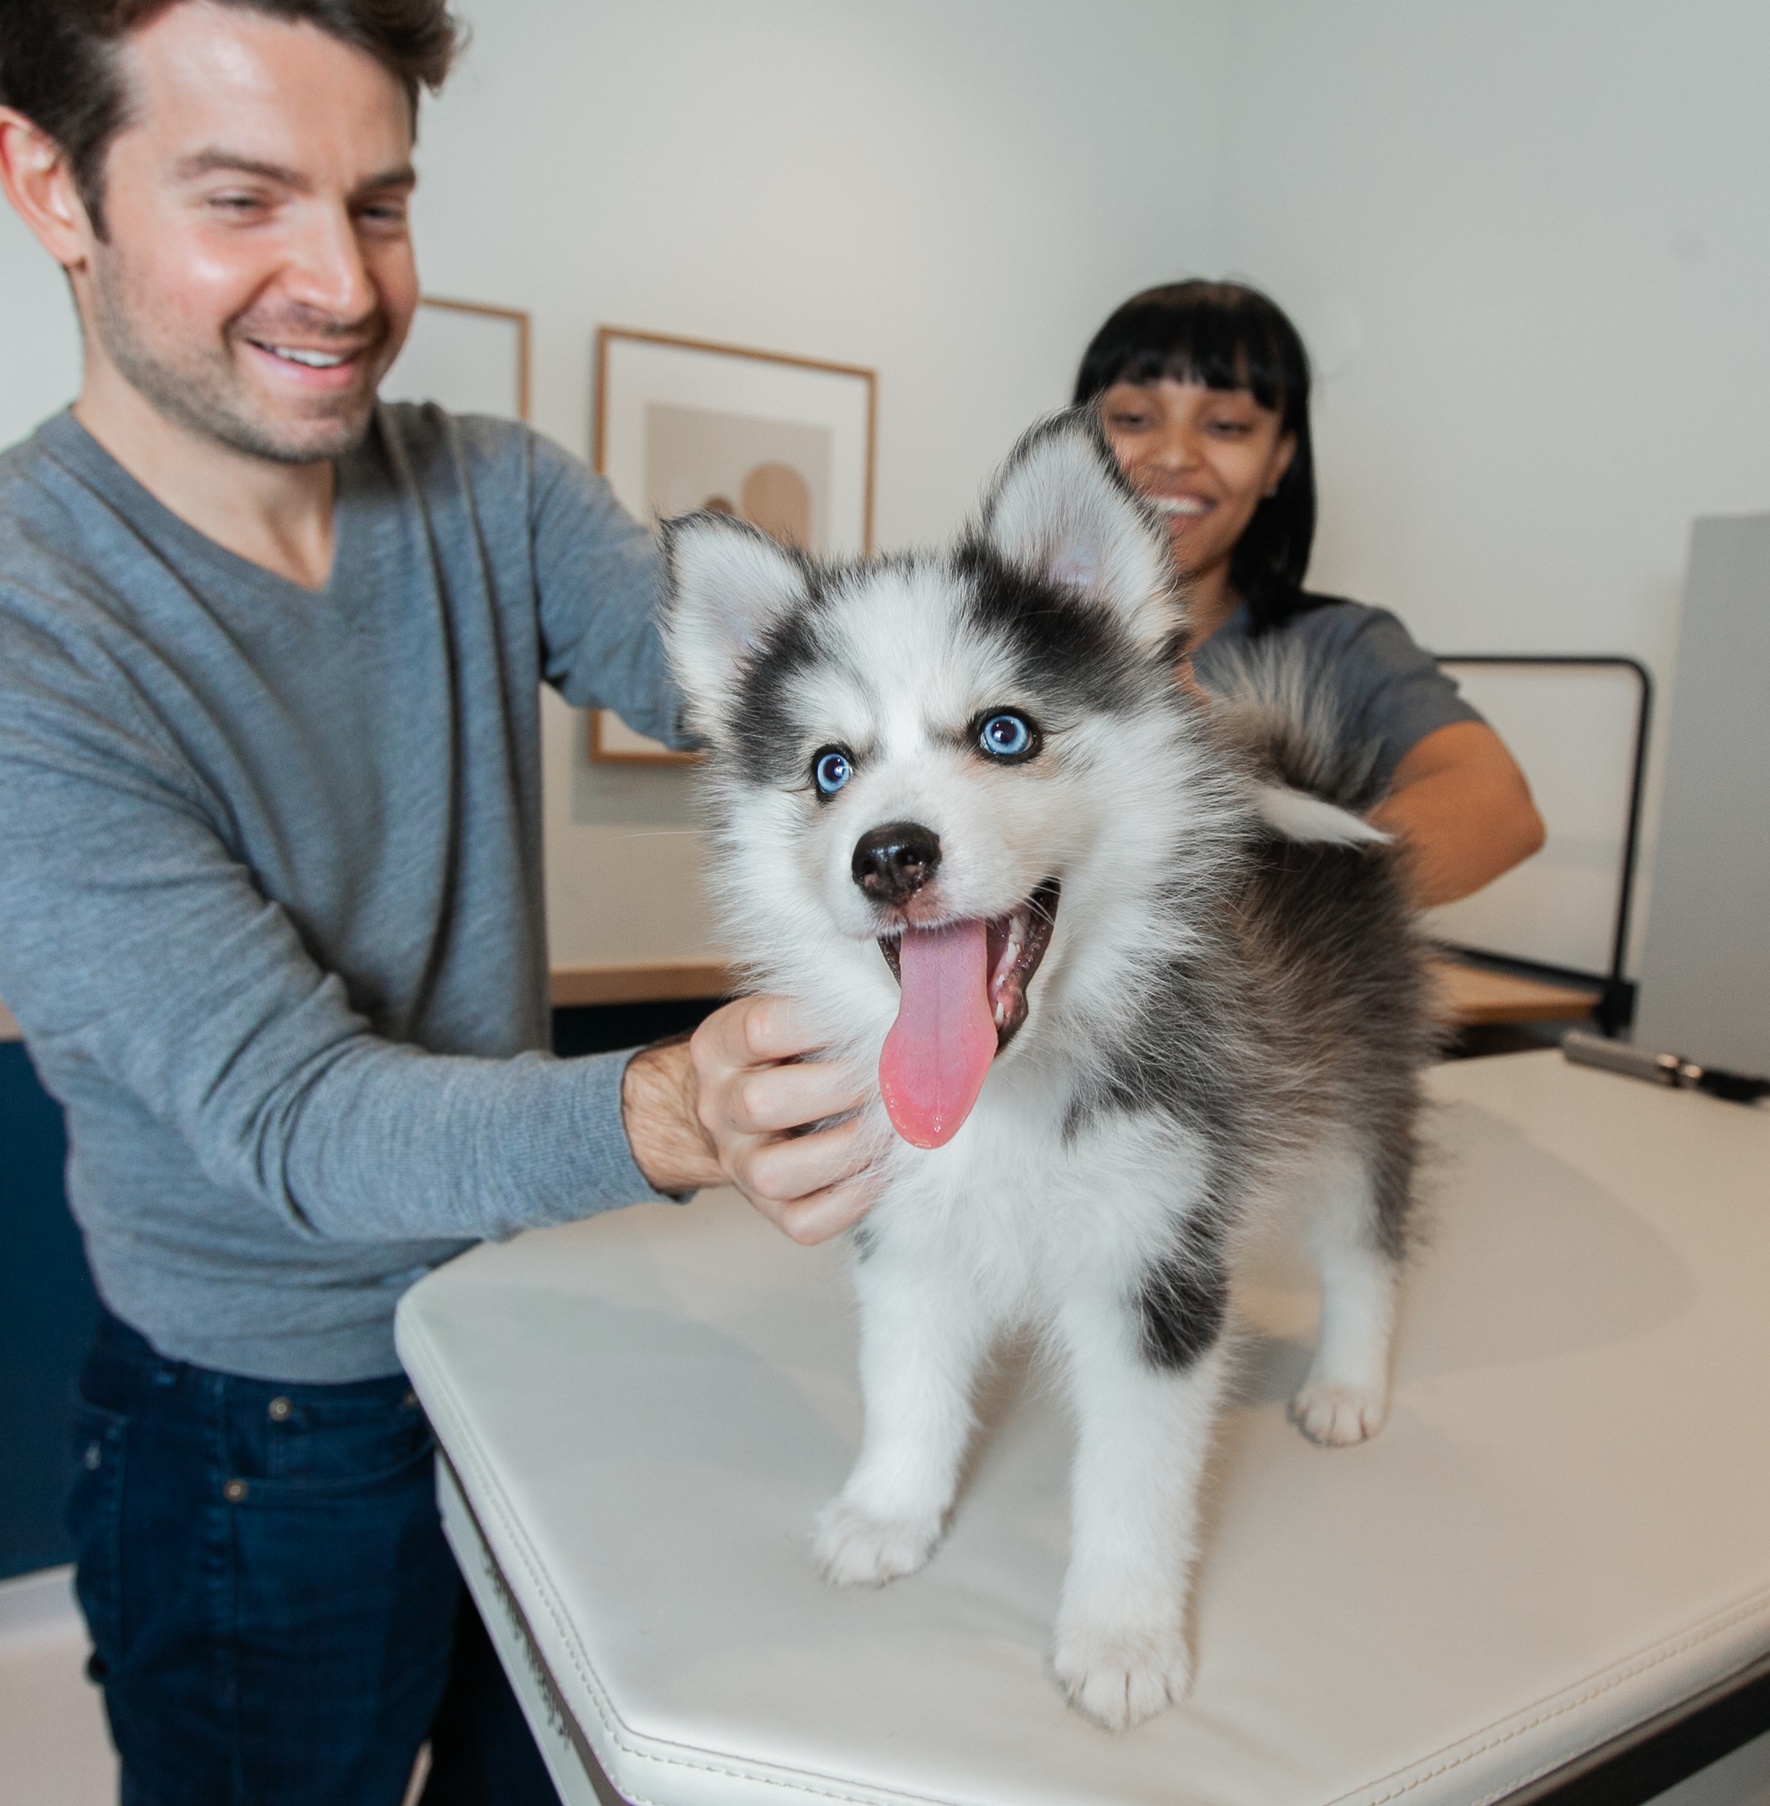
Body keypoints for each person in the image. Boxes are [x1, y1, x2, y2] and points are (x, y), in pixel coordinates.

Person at [0, 2, 872, 1800]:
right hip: (256, 1438)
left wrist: (1008, 712)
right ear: (48, 185)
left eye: (380, 206)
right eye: (244, 200)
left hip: (521, 1358)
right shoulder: (32, 629)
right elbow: (300, 1119)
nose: (339, 282)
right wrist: (670, 1108)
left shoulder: (494, 493)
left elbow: (778, 696)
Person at [1076, 281, 1545, 905]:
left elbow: (1498, 809)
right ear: (1077, 443)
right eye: (1133, 418)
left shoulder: (1341, 647)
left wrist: (1275, 913)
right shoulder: (1002, 631)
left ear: (1279, 459)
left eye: (1226, 425)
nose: (1175, 454)